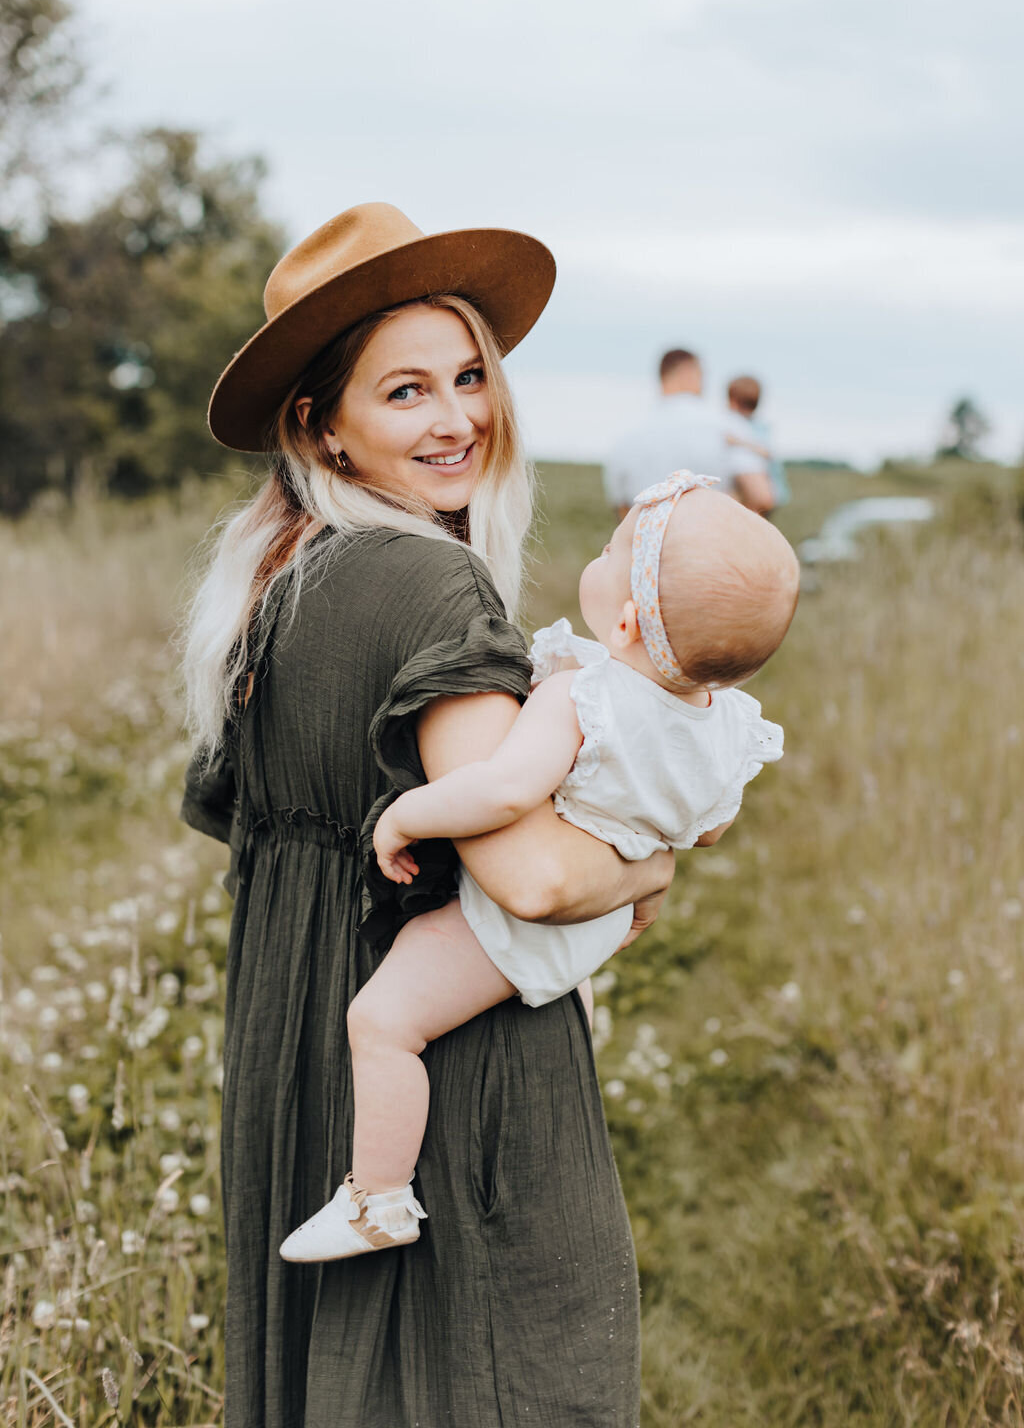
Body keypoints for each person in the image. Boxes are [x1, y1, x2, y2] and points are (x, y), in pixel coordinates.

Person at [179, 202, 676, 1428]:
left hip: (302, 1050)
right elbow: (535, 882)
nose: (457, 419)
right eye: (404, 394)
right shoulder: (424, 581)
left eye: (467, 376)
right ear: (321, 425)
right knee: (498, 1376)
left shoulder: (274, 573)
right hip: (448, 1074)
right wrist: (652, 859)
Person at [277, 472, 799, 1263]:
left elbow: (502, 790)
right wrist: (644, 862)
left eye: (610, 549)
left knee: (383, 1023)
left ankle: (378, 1196)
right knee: (555, 1009)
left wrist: (406, 815)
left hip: (522, 924)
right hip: (605, 921)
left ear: (623, 617)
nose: (601, 550)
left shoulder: (584, 700)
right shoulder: (728, 725)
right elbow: (711, 828)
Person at [603, 347, 775, 518]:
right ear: (689, 372)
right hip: (714, 538)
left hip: (649, 542)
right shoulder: (728, 425)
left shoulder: (626, 438)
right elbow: (761, 497)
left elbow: (623, 512)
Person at [726, 374, 791, 511]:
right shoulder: (741, 424)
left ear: (733, 401)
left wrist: (738, 442)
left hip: (767, 486)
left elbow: (768, 452)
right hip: (756, 486)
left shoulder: (756, 428)